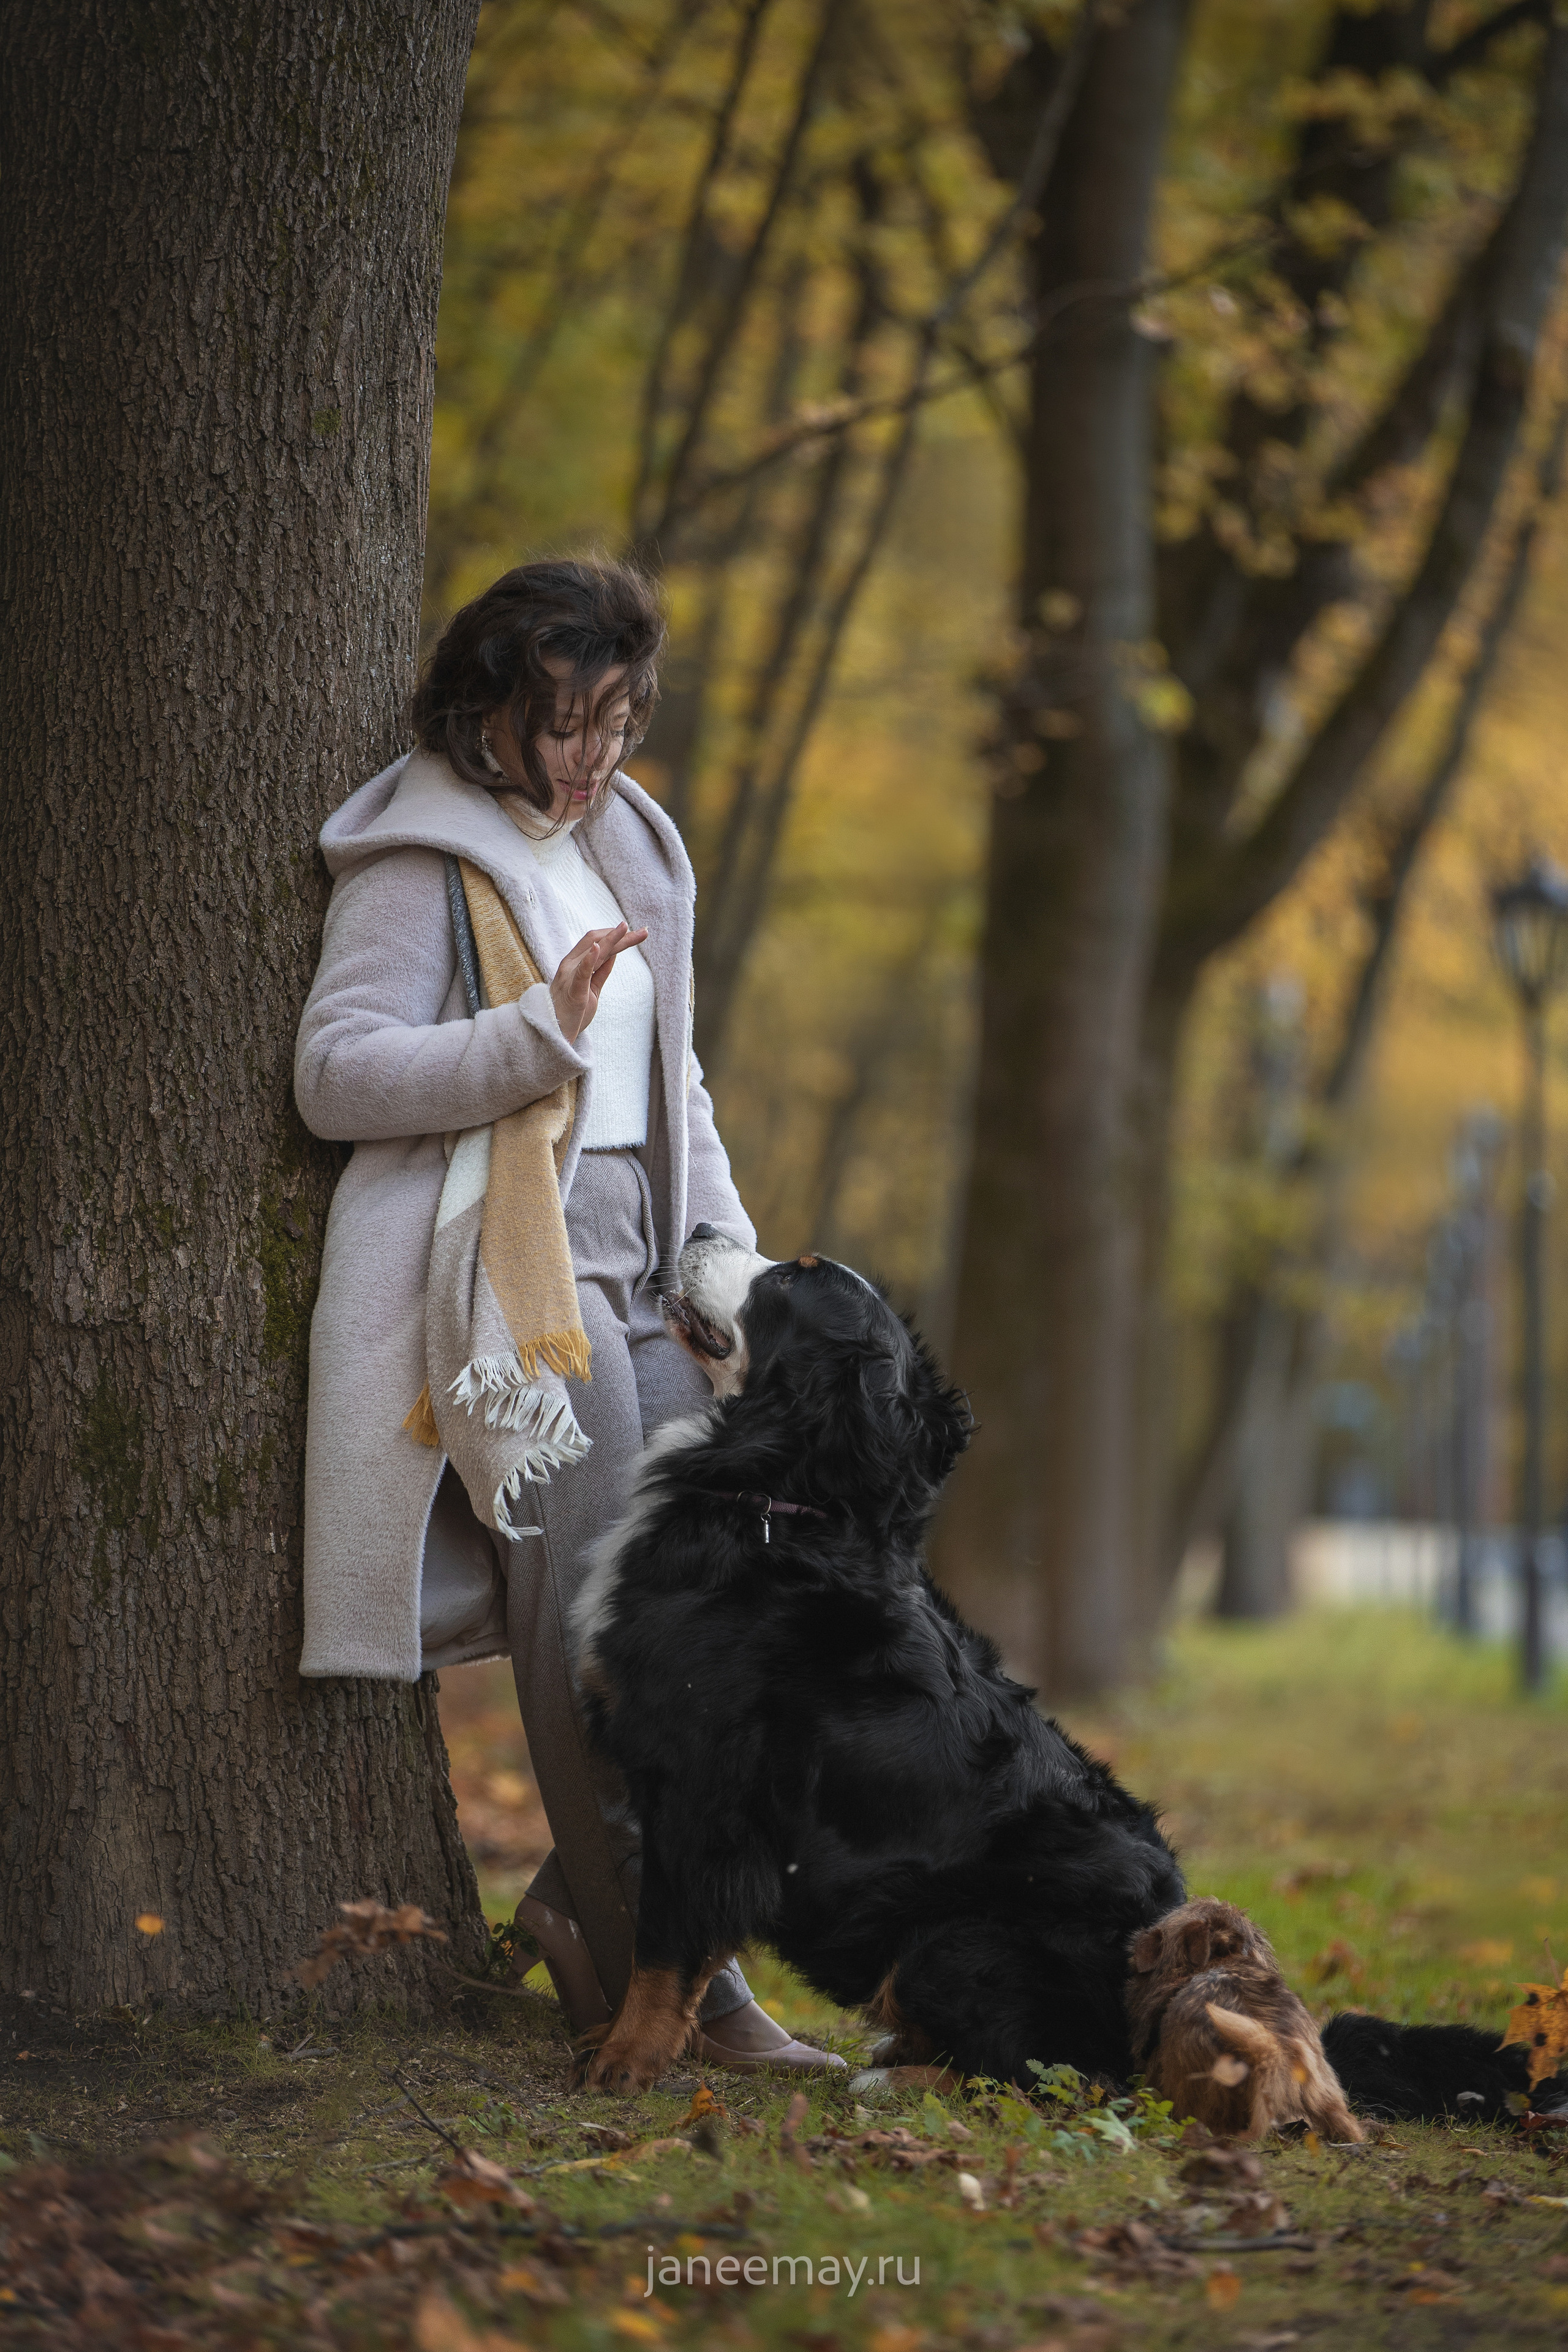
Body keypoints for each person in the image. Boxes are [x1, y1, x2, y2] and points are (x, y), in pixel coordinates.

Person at [294, 557, 840, 2073]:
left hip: (652, 1261)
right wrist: (535, 1036)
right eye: (561, 723)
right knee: (599, 1636)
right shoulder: (421, 857)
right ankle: (665, 1984)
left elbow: (677, 1080)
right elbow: (335, 1075)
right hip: (516, 1283)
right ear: (482, 711)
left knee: (720, 1627)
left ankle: (605, 1916)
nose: (591, 754)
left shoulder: (629, 843)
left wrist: (727, 1253)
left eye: (615, 719)